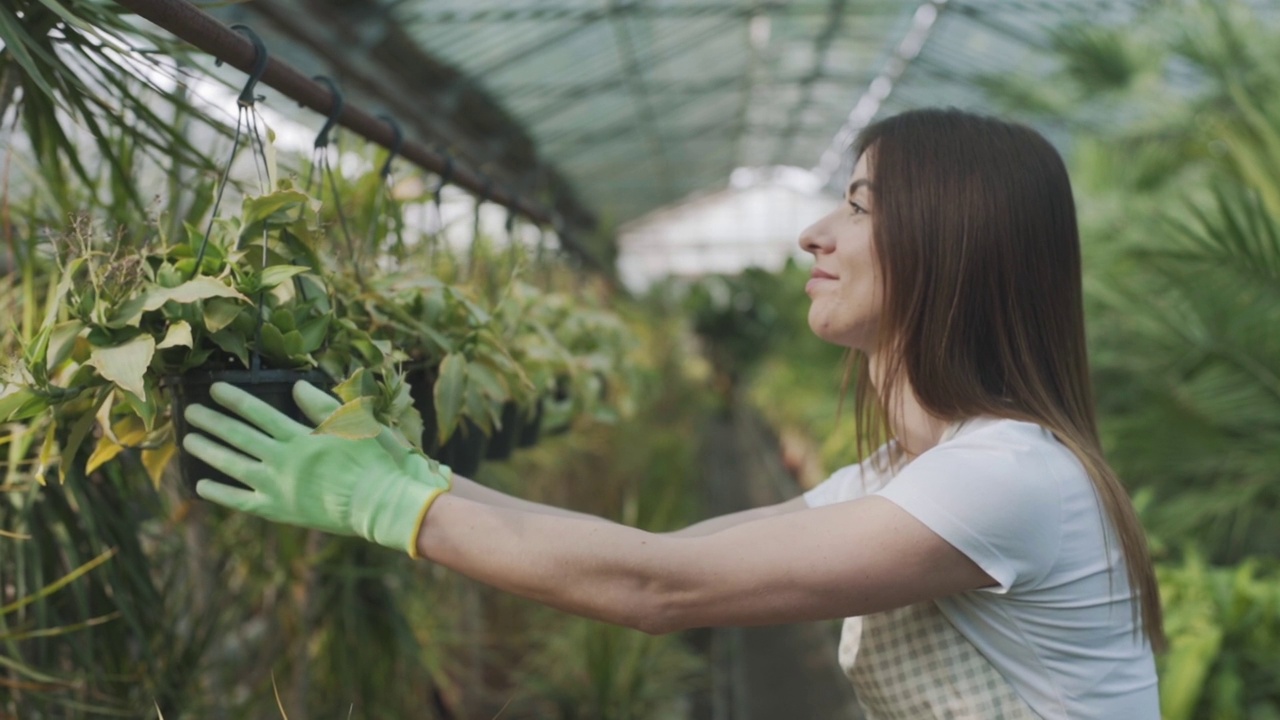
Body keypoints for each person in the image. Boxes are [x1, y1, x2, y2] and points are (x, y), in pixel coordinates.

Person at [182, 108, 1163, 719]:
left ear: (953, 245)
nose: (812, 235)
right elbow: (658, 549)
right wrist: (416, 476)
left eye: (858, 208)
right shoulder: (905, 478)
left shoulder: (1005, 476)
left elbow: (657, 591)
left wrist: (391, 508)